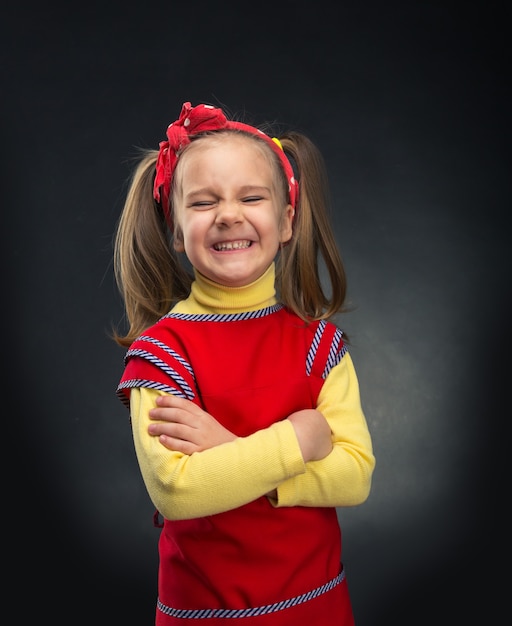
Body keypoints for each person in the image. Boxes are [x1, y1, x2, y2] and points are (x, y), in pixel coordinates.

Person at [113, 101, 375, 625]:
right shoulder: (163, 354)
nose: (229, 215)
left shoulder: (318, 343)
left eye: (251, 197)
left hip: (316, 603)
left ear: (286, 221)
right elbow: (178, 490)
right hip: (206, 612)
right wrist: (300, 439)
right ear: (176, 230)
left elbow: (355, 476)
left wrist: (230, 451)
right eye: (204, 202)